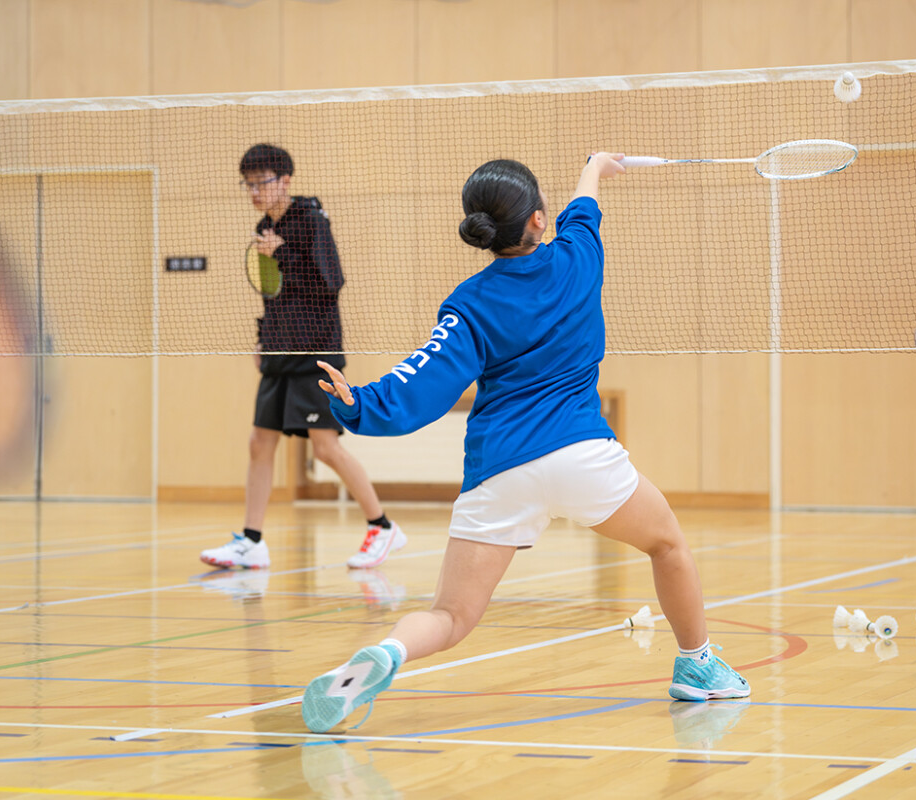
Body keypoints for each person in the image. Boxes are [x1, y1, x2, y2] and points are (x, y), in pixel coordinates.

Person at [299, 153, 749, 734]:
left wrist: (359, 404)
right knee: (667, 546)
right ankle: (697, 665)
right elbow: (584, 209)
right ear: (539, 219)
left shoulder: (469, 302)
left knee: (451, 615)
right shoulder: (579, 257)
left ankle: (387, 653)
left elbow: (426, 380)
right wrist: (596, 165)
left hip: (501, 471)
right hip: (583, 457)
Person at [199, 144, 404, 572]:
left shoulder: (311, 221)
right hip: (280, 352)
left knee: (325, 448)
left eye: (262, 182)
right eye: (248, 184)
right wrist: (263, 338)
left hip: (314, 354)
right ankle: (252, 541)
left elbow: (330, 282)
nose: (255, 191)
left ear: (285, 181)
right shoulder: (264, 228)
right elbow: (273, 293)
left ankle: (382, 527)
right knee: (260, 443)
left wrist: (281, 254)